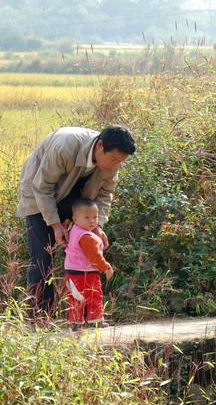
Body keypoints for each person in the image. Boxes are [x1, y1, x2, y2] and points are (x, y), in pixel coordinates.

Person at [15, 125, 136, 324]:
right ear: (100, 146)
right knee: (42, 258)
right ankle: (41, 318)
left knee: (82, 254)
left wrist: (97, 226)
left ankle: (84, 317)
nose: (115, 165)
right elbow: (42, 186)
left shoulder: (113, 163)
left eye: (120, 162)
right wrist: (55, 225)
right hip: (38, 195)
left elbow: (105, 194)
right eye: (113, 159)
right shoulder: (65, 145)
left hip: (76, 199)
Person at [64, 198, 113, 330]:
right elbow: (94, 257)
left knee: (75, 299)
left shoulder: (74, 230)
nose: (92, 221)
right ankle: (95, 321)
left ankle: (75, 323)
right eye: (87, 217)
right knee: (94, 296)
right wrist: (105, 267)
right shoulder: (87, 237)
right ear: (75, 219)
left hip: (71, 274)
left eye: (95, 217)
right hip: (87, 274)